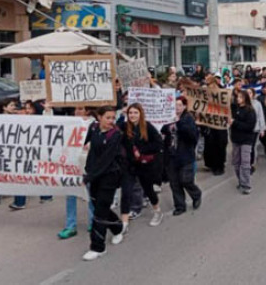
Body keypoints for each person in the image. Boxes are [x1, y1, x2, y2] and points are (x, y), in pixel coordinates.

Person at [115, 104, 164, 243]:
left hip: (144, 165)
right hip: (129, 165)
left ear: (140, 114)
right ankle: (124, 223)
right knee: (126, 192)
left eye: (135, 113)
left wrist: (142, 151)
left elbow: (158, 143)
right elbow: (116, 129)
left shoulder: (147, 126)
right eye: (130, 113)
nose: (132, 115)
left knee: (148, 190)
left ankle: (157, 211)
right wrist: (122, 116)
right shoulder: (125, 126)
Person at [82, 106, 126, 261]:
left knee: (100, 211)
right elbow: (81, 141)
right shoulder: (93, 128)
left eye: (113, 118)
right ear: (99, 117)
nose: (111, 121)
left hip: (109, 176)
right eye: (108, 117)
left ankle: (97, 247)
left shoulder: (116, 135)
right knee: (99, 205)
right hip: (94, 175)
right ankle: (117, 228)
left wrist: (89, 177)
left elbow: (105, 160)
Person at [162, 97, 202, 215]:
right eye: (175, 105)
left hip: (185, 156)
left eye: (179, 105)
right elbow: (163, 130)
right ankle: (180, 206)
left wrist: (177, 123)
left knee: (186, 180)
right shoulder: (168, 117)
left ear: (184, 106)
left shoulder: (188, 118)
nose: (176, 107)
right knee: (174, 183)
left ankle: (196, 194)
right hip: (171, 156)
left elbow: (192, 135)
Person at [60, 106, 96, 239]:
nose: (77, 111)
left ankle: (93, 222)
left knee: (90, 193)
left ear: (88, 110)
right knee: (70, 195)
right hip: (71, 164)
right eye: (76, 109)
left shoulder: (94, 124)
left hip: (87, 163)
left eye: (80, 108)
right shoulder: (69, 123)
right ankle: (71, 225)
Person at [230, 90, 258, 194]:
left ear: (245, 98)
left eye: (241, 97)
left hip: (246, 140)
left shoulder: (250, 111)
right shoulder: (235, 109)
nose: (238, 99)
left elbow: (249, 126)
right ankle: (241, 181)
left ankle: (246, 185)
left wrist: (235, 123)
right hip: (235, 140)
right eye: (238, 97)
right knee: (236, 163)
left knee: (245, 163)